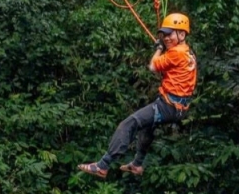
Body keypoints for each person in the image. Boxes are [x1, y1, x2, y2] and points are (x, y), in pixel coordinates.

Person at [79, 13, 196, 178]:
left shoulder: (175, 53)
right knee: (147, 126)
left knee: (129, 123)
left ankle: (102, 166)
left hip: (168, 106)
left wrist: (159, 49)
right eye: (164, 34)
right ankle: (137, 164)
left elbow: (153, 66)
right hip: (178, 107)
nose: (166, 38)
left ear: (182, 34)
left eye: (170, 34)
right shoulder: (187, 53)